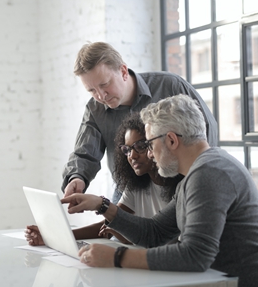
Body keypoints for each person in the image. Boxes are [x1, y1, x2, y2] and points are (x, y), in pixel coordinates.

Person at [61, 94, 258, 287]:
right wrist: (102, 205)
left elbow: (195, 256)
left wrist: (116, 256)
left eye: (150, 144)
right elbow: (155, 232)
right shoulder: (197, 173)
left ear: (172, 140)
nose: (149, 154)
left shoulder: (209, 173)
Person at [62, 42, 218, 202]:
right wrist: (77, 177)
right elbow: (85, 152)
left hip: (177, 186)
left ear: (123, 71)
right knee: (109, 226)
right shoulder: (95, 109)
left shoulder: (170, 85)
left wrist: (199, 177)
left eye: (104, 84)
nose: (101, 96)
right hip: (129, 190)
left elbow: (205, 128)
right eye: (92, 90)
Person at [25, 113, 183, 245]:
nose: (132, 156)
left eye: (140, 146)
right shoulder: (136, 184)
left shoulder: (184, 187)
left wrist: (106, 212)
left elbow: (160, 237)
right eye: (127, 150)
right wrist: (53, 236)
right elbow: (112, 222)